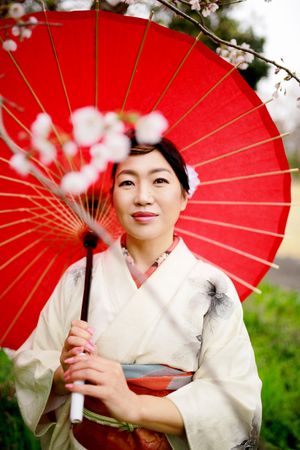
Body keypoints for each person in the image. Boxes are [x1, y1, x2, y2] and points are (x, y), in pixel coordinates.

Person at [13, 135, 262, 450]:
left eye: (159, 180)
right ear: (113, 194)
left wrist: (132, 405)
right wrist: (65, 373)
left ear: (184, 195)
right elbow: (28, 366)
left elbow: (234, 398)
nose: (143, 197)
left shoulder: (212, 288)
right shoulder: (80, 276)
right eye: (127, 182)